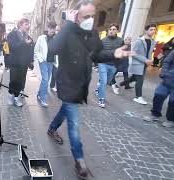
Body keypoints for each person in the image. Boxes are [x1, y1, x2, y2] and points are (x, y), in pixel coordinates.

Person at [45, 0, 134, 178]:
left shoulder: (92, 33)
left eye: (93, 16)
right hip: (68, 82)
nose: (91, 20)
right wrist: (68, 25)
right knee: (74, 122)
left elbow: (98, 54)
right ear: (76, 16)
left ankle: (52, 128)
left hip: (82, 83)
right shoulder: (68, 31)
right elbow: (52, 49)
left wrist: (113, 54)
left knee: (66, 110)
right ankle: (80, 161)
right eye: (87, 16)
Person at [117, 24, 157, 105]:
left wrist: (150, 60)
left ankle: (118, 85)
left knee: (133, 78)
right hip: (138, 64)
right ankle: (138, 97)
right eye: (151, 29)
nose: (153, 31)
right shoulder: (139, 41)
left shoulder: (153, 41)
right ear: (146, 30)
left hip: (145, 64)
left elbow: (148, 53)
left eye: (154, 30)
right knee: (140, 80)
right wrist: (145, 60)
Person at [95, 23, 124, 108]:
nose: (111, 31)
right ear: (108, 31)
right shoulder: (103, 40)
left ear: (117, 31)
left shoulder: (120, 41)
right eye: (110, 29)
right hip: (103, 64)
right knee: (103, 81)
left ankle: (98, 89)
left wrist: (118, 64)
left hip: (113, 65)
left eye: (114, 29)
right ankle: (101, 99)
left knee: (107, 82)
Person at [7, 18, 34, 107]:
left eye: (28, 24)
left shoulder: (28, 36)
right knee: (13, 80)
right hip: (14, 62)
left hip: (24, 63)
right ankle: (11, 94)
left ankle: (16, 97)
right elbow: (12, 47)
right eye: (26, 24)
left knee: (21, 81)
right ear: (20, 25)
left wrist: (31, 61)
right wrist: (23, 42)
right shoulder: (12, 34)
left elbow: (30, 50)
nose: (28, 26)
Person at [145, 51, 174, 127]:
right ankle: (155, 115)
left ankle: (171, 120)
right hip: (168, 79)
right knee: (158, 94)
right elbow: (167, 61)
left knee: (172, 102)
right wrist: (164, 73)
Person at [34, 22, 57, 107]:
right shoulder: (41, 38)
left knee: (46, 80)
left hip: (51, 62)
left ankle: (39, 94)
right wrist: (41, 60)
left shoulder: (56, 38)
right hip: (43, 62)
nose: (52, 30)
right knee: (45, 79)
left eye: (54, 28)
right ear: (47, 28)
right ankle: (43, 99)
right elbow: (36, 50)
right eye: (51, 28)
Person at [50, 25, 62, 92]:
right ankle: (53, 85)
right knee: (55, 72)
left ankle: (53, 85)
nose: (57, 31)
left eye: (58, 30)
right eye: (56, 30)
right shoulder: (53, 37)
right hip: (55, 56)